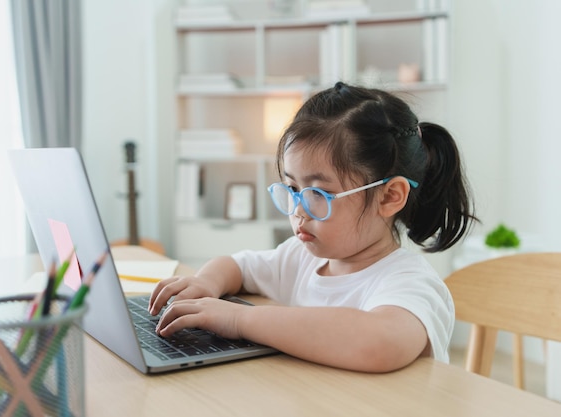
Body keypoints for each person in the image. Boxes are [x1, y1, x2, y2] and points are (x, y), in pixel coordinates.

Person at [149, 82, 477, 372]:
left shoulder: (410, 282)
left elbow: (379, 342)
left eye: (318, 194)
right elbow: (238, 266)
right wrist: (206, 282)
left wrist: (240, 319)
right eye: (292, 189)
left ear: (389, 197)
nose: (298, 211)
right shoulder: (300, 257)